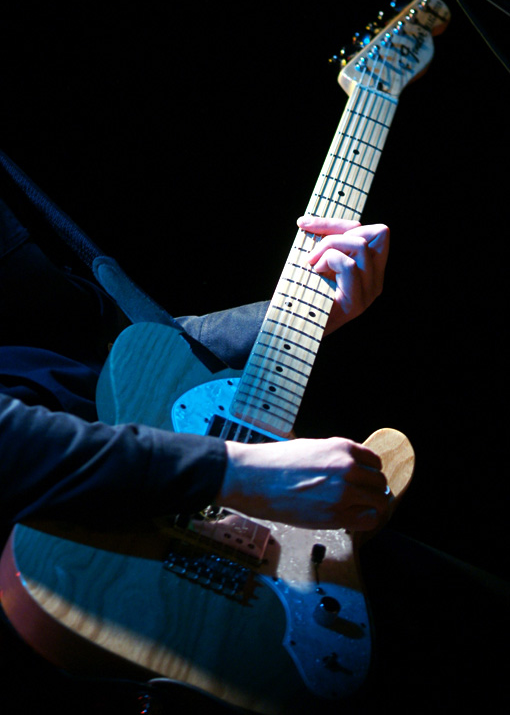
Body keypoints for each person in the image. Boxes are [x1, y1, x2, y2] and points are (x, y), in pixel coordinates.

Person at [0, 177, 390, 713]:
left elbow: (138, 347)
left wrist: (307, 314)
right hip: (78, 551)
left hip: (180, 494)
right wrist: (242, 473)